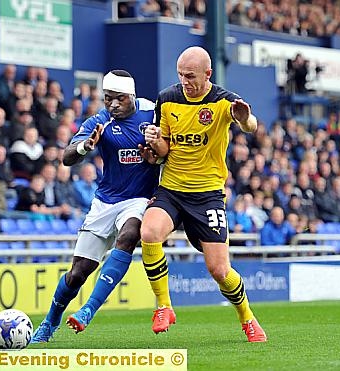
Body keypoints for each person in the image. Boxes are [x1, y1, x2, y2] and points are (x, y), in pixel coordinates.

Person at [141, 46, 267, 342]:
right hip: (171, 188)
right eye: (181, 75)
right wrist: (155, 141)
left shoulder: (223, 101)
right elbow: (164, 150)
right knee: (149, 232)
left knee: (220, 270)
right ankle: (164, 306)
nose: (184, 81)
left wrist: (245, 118)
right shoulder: (167, 99)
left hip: (208, 195)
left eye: (191, 76)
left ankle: (247, 318)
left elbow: (251, 126)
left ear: (208, 74)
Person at [31, 70, 160, 342]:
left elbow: (169, 149)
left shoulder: (153, 113)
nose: (112, 104)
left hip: (137, 199)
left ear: (132, 97)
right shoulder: (99, 121)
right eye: (107, 99)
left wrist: (157, 154)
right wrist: (85, 147)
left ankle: (89, 308)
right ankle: (50, 321)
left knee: (129, 235)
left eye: (119, 99)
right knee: (78, 273)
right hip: (104, 202)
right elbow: (67, 157)